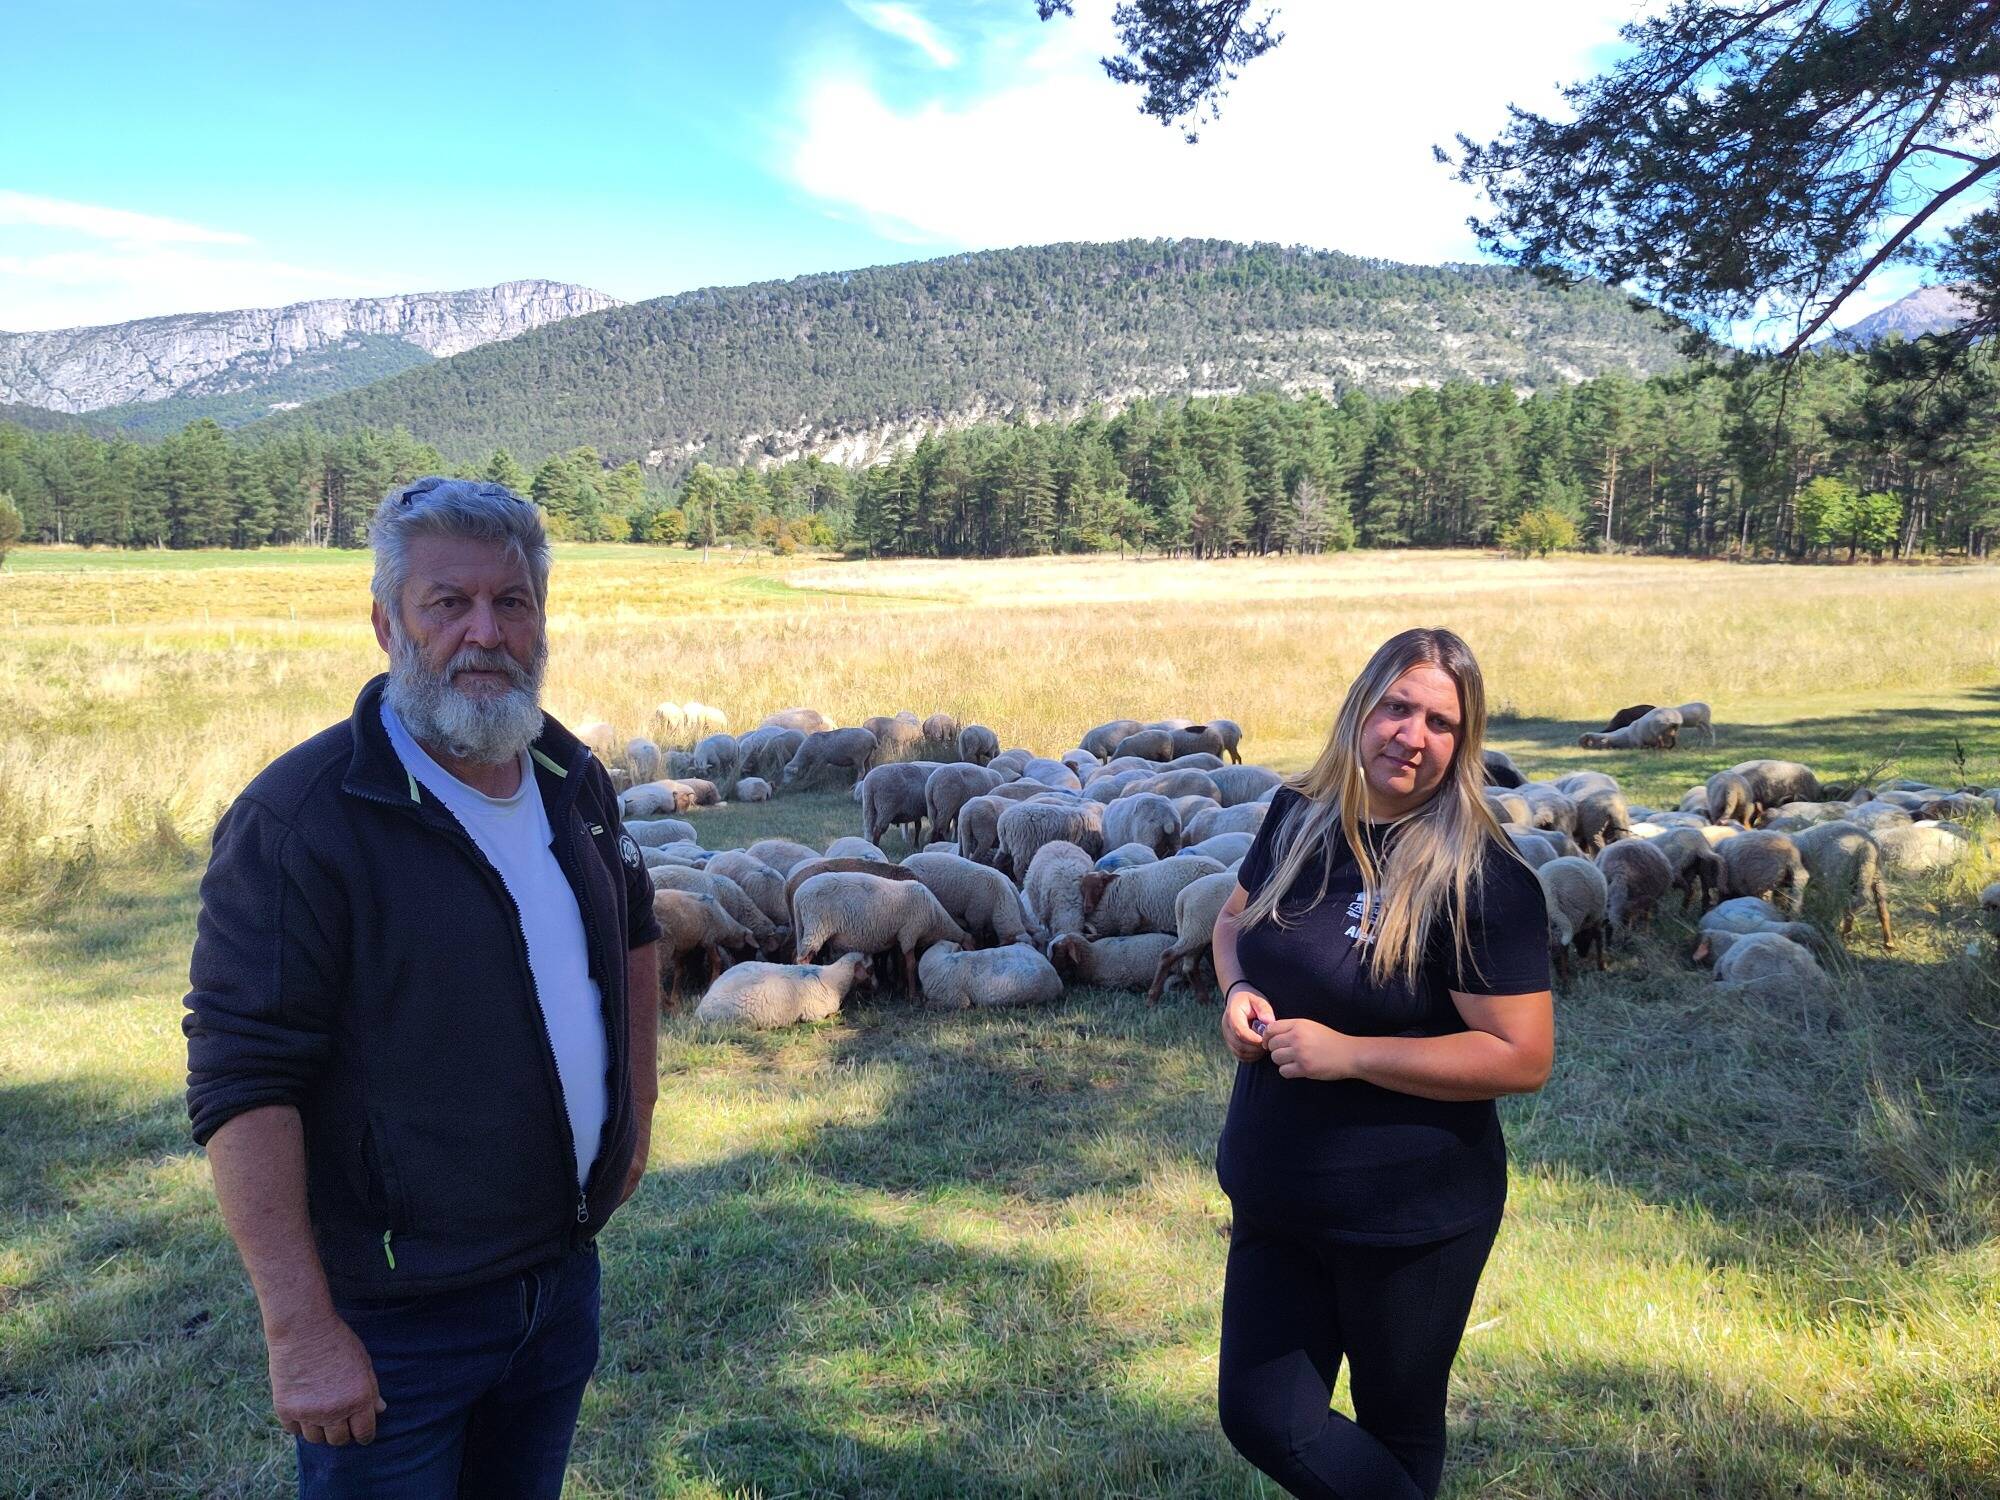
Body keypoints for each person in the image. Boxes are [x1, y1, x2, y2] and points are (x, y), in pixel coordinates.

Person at [182, 476, 662, 1499]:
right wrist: (302, 1329)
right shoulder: (303, 820)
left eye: (512, 600)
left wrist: (637, 1123)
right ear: (385, 622)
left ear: (541, 616)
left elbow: (634, 933)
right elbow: (242, 1078)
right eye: (448, 603)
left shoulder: (572, 778)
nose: (485, 632)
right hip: (395, 1323)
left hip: (555, 1281)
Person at [1210, 627, 1554, 1500]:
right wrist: (1236, 989)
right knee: (1263, 1414)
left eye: (1441, 722)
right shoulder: (1299, 815)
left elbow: (1521, 1057)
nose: (1412, 734)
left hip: (1408, 1216)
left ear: (1463, 744)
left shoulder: (1482, 878)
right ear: (1361, 707)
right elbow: (1229, 922)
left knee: (1398, 1434)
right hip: (1275, 1187)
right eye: (1398, 706)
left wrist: (1351, 1054)